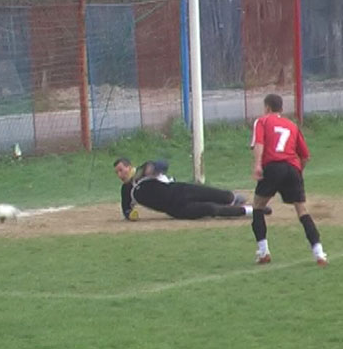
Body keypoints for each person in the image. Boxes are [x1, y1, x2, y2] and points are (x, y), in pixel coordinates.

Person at [250, 93, 327, 266]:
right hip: (292, 167)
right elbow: (305, 156)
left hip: (273, 166)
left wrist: (257, 165)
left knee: (258, 206)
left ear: (267, 108)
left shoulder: (262, 121)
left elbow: (259, 144)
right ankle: (319, 253)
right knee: (301, 209)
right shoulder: (292, 125)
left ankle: (263, 252)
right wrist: (298, 172)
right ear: (282, 109)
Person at [113, 157, 269, 221]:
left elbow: (163, 164)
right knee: (212, 209)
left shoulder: (143, 169)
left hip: (181, 190)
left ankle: (232, 199)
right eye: (117, 172)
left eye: (121, 169)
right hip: (176, 209)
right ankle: (253, 210)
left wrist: (153, 168)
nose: (120, 174)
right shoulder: (126, 190)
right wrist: (131, 215)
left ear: (129, 166)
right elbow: (126, 210)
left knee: (220, 196)